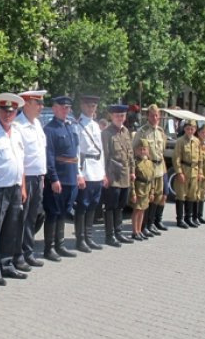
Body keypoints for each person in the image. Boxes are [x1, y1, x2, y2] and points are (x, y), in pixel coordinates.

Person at [0, 93, 27, 285]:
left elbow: (21, 161)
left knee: (11, 229)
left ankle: (7, 264)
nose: (7, 114)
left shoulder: (17, 132)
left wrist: (23, 186)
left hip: (15, 188)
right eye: (3, 110)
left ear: (16, 112)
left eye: (11, 111)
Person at [42, 95, 83, 261]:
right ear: (54, 108)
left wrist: (78, 174)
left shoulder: (70, 126)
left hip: (71, 176)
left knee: (64, 213)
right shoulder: (50, 129)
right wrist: (53, 178)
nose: (66, 111)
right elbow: (49, 156)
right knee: (53, 212)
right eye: (63, 107)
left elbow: (75, 154)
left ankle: (60, 245)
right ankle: (49, 248)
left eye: (68, 108)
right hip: (59, 178)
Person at [14, 90, 48, 270]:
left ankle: (28, 252)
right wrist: (23, 184)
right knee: (22, 218)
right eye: (38, 103)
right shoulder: (18, 125)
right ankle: (17, 255)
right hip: (25, 178)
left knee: (32, 218)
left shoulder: (37, 124)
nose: (42, 107)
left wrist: (42, 176)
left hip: (37, 177)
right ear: (26, 103)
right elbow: (19, 157)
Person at [75, 95, 106, 252]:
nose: (91, 108)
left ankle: (89, 237)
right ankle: (80, 240)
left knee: (93, 206)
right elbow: (76, 152)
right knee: (82, 206)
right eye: (88, 105)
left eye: (93, 106)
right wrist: (78, 174)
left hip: (97, 170)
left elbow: (101, 151)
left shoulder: (95, 125)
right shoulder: (78, 125)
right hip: (85, 169)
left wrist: (104, 173)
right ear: (82, 105)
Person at [101, 104, 135, 246]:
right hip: (113, 175)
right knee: (111, 206)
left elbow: (130, 153)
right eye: (117, 116)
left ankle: (119, 232)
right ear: (111, 117)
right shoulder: (106, 133)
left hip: (125, 175)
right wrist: (105, 175)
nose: (120, 118)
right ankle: (110, 236)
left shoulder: (126, 131)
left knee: (120, 206)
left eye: (122, 116)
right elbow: (104, 156)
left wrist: (133, 171)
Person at [132, 104, 166, 238]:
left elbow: (161, 150)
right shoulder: (142, 131)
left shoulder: (161, 132)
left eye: (157, 115)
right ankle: (143, 226)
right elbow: (134, 148)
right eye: (152, 115)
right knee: (147, 198)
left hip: (159, 167)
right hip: (147, 168)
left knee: (158, 196)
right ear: (148, 116)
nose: (155, 118)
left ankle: (151, 223)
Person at [173, 119, 200, 229]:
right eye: (188, 128)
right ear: (184, 129)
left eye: (192, 129)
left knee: (191, 195)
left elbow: (199, 158)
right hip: (184, 169)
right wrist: (179, 172)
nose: (190, 131)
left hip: (194, 171)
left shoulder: (197, 141)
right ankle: (180, 219)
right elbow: (176, 158)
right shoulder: (180, 141)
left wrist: (199, 172)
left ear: (195, 130)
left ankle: (188, 218)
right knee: (181, 195)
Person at [130, 139, 154, 241]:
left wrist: (152, 191)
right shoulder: (135, 163)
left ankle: (140, 230)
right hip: (138, 188)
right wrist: (133, 193)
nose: (142, 151)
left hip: (147, 188)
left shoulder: (149, 162)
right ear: (136, 150)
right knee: (137, 210)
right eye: (140, 149)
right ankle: (135, 231)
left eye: (144, 149)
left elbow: (152, 178)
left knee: (143, 210)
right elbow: (132, 180)